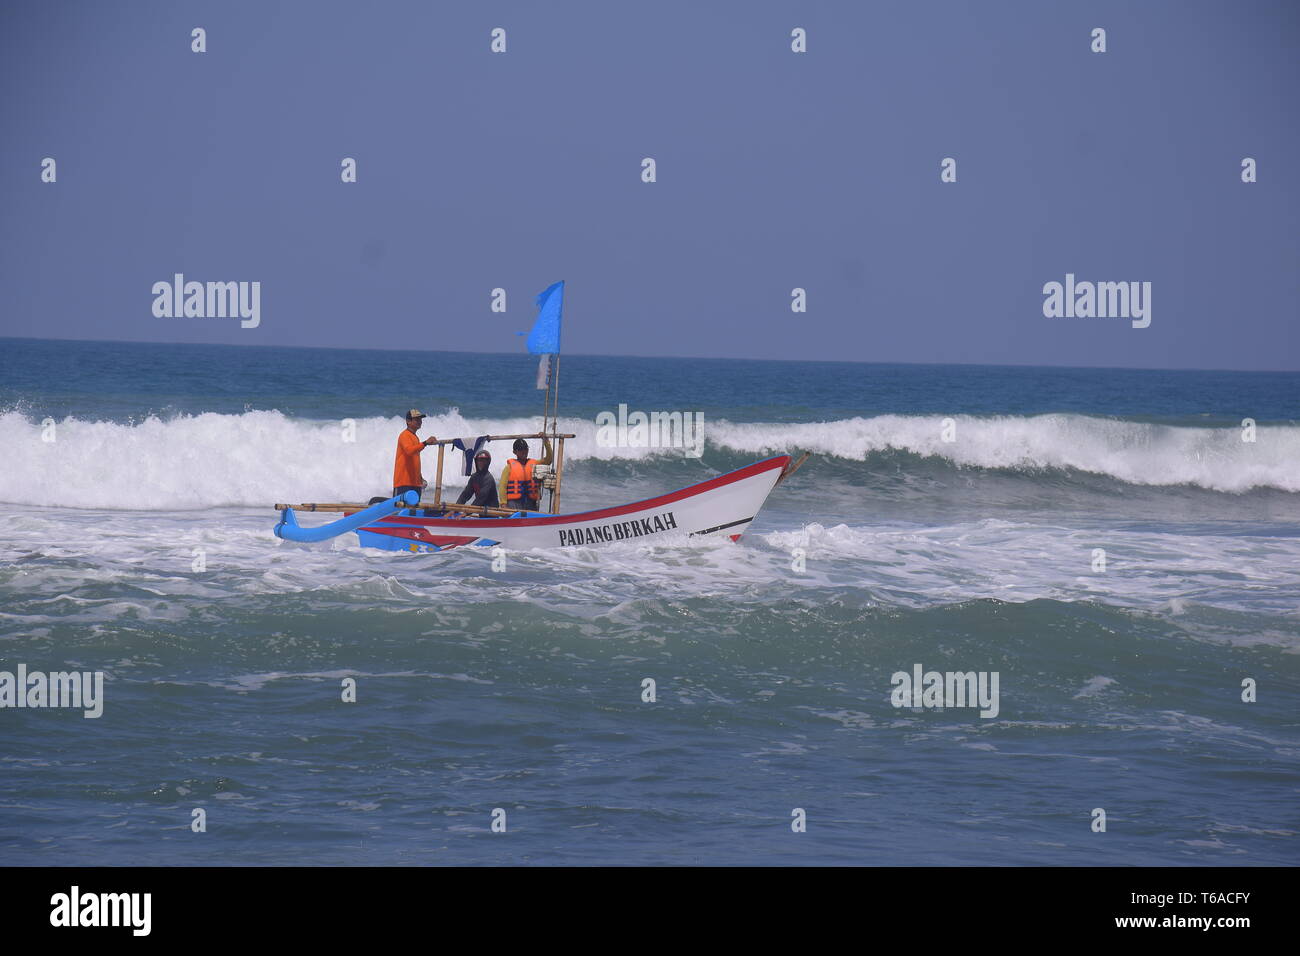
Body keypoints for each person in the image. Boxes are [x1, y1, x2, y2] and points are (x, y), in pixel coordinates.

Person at [393, 409, 438, 498]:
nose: (420, 422)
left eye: (420, 419)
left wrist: (420, 477)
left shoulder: (415, 437)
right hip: (403, 482)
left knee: (413, 510)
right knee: (401, 509)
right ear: (408, 421)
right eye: (416, 419)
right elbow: (409, 451)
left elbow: (414, 460)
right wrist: (425, 443)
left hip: (415, 483)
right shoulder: (404, 435)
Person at [501, 436, 552, 512]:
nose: (524, 451)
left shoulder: (534, 464)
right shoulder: (509, 468)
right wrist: (503, 504)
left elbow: (548, 460)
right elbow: (502, 487)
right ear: (515, 452)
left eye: (526, 448)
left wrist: (546, 443)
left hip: (530, 502)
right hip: (514, 503)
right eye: (520, 449)